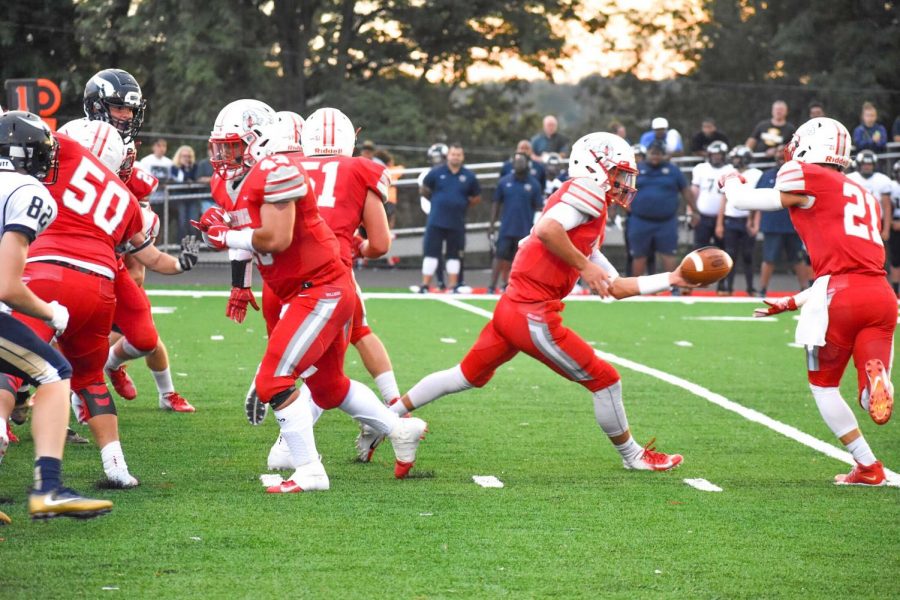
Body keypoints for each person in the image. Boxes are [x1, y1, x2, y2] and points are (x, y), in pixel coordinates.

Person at [369, 132, 689, 471]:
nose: (623, 182)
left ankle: (382, 420)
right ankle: (633, 456)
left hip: (514, 307)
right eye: (617, 173)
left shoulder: (586, 212)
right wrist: (585, 267)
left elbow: (618, 287)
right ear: (595, 168)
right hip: (532, 313)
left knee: (462, 376)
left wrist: (672, 279)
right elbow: (548, 230)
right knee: (606, 380)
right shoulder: (588, 193)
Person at [194, 99, 427, 491]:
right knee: (330, 386)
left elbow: (276, 237)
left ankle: (309, 471)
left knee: (272, 379)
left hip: (320, 290)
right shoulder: (236, 178)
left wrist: (225, 235)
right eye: (221, 146)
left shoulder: (279, 171)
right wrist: (239, 276)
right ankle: (400, 430)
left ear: (258, 141)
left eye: (232, 146)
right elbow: (247, 229)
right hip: (306, 288)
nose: (223, 156)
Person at [15, 118, 197, 488]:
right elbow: (152, 259)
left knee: (10, 362)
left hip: (47, 271)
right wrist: (186, 260)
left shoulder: (62, 154)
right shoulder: (127, 197)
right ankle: (116, 467)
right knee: (91, 377)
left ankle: (8, 423)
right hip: (99, 285)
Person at [722, 116, 895, 485]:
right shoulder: (862, 192)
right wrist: (791, 302)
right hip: (881, 294)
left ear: (809, 145)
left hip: (839, 295)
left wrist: (729, 179)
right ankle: (876, 383)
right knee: (869, 399)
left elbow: (740, 201)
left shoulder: (806, 175)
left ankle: (868, 466)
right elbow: (853, 261)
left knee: (824, 385)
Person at [0, 111, 112, 522]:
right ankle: (48, 488)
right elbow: (8, 286)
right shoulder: (28, 191)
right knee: (55, 373)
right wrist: (52, 311)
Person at [83, 69, 196, 414]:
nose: (127, 116)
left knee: (141, 322)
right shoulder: (77, 138)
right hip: (74, 239)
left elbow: (134, 191)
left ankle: (114, 370)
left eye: (131, 109)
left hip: (111, 237)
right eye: (119, 107)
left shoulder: (127, 147)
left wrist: (140, 215)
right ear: (97, 106)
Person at [628, 141, 696, 281]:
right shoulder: (637, 169)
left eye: (658, 154)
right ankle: (634, 288)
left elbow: (686, 191)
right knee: (639, 255)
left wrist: (695, 210)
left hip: (666, 221)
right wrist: (624, 205)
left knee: (669, 254)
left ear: (663, 155)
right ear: (648, 154)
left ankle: (674, 286)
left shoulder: (673, 170)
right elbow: (624, 188)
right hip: (640, 220)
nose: (655, 157)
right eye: (653, 153)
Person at [419, 143, 481, 293]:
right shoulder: (436, 172)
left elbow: (476, 197)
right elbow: (424, 189)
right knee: (431, 253)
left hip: (456, 222)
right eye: (453, 154)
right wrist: (437, 201)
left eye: (458, 155)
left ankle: (453, 286)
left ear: (463, 157)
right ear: (448, 156)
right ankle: (425, 285)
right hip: (436, 220)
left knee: (454, 255)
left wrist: (461, 205)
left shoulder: (469, 176)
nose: (455, 157)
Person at [487, 152, 543, 293]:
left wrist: (536, 227)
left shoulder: (534, 184)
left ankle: (516, 286)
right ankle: (492, 286)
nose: (519, 164)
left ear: (527, 164)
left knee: (521, 260)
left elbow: (539, 207)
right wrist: (492, 225)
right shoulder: (504, 182)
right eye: (516, 161)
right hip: (507, 227)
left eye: (521, 161)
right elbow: (496, 203)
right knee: (499, 256)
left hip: (524, 229)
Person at [756, 145, 808, 295]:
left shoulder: (799, 175)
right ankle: (762, 289)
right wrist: (754, 221)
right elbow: (758, 198)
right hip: (772, 224)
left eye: (783, 154)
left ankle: (805, 288)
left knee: (798, 258)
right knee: (769, 259)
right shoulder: (766, 175)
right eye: (779, 153)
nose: (781, 156)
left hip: (794, 224)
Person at [716, 145, 761, 295]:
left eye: (737, 158)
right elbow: (723, 199)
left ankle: (750, 287)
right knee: (730, 255)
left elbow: (759, 200)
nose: (735, 161)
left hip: (748, 220)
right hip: (731, 219)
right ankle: (728, 287)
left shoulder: (756, 174)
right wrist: (719, 223)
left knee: (748, 255)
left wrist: (755, 222)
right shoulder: (728, 173)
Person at [171, 145, 201, 238]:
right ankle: (181, 245)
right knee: (182, 221)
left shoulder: (194, 166)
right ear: (179, 157)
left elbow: (195, 178)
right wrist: (183, 167)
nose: (186, 158)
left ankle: (193, 243)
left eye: (188, 156)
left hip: (193, 197)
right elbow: (181, 179)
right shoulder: (175, 168)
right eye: (184, 156)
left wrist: (189, 168)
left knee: (193, 221)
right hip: (180, 197)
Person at [889, 160, 900, 295]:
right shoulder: (890, 186)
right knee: (896, 259)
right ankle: (896, 292)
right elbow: (886, 207)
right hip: (895, 224)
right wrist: (891, 222)